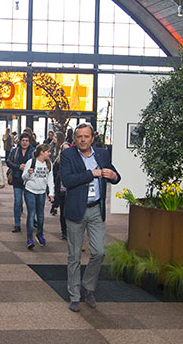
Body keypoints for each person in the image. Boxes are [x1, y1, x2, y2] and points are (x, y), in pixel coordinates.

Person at [59, 123, 121, 312]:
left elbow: (115, 176)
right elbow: (67, 180)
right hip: (76, 210)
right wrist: (90, 174)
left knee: (99, 252)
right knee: (74, 256)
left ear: (92, 138)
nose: (83, 140)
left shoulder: (102, 154)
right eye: (79, 136)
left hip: (96, 209)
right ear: (75, 138)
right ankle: (74, 296)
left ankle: (88, 287)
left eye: (86, 136)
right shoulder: (68, 155)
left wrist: (114, 176)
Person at [21, 144, 55, 249]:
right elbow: (24, 177)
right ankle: (29, 238)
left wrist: (51, 193)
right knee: (31, 214)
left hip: (41, 192)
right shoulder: (31, 162)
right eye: (48, 152)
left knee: (40, 215)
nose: (49, 153)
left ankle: (39, 235)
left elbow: (50, 179)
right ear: (42, 152)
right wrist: (29, 173)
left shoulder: (49, 164)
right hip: (30, 191)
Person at [5, 132, 35, 233]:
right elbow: (8, 162)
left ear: (29, 142)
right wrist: (18, 167)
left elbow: (37, 163)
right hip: (17, 179)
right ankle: (17, 224)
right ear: (20, 141)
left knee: (30, 203)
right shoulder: (15, 151)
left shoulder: (33, 151)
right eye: (23, 141)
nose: (25, 143)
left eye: (27, 141)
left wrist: (28, 167)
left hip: (30, 180)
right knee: (18, 202)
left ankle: (31, 221)